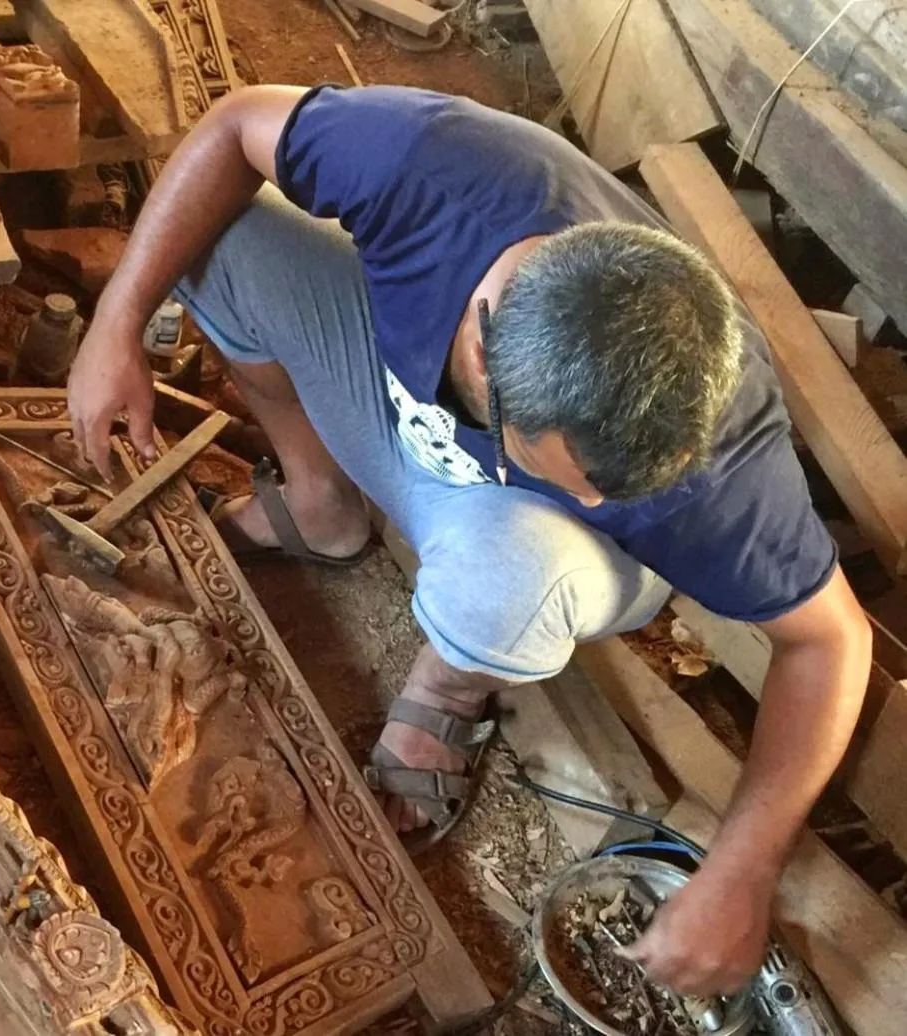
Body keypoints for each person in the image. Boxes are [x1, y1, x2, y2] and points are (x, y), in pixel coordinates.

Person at [65, 83, 872, 998]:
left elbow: (833, 641)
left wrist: (744, 866)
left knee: (504, 576)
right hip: (415, 416)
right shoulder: (432, 172)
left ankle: (446, 692)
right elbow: (233, 123)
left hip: (523, 551)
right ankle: (321, 499)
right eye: (576, 476)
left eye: (617, 491)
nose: (604, 500)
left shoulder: (719, 456)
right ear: (487, 353)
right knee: (220, 244)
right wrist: (115, 323)